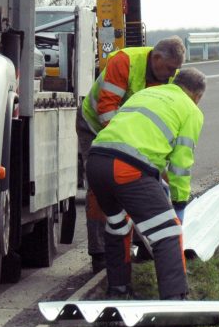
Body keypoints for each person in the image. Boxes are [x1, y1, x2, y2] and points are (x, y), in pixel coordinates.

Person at [85, 67, 206, 300]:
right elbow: (181, 164)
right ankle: (175, 298)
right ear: (197, 96)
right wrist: (179, 201)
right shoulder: (191, 110)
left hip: (97, 161)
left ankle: (118, 290)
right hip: (127, 168)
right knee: (168, 231)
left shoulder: (145, 94)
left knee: (118, 226)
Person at [77, 36, 186, 272]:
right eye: (168, 69)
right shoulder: (124, 62)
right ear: (156, 58)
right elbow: (106, 110)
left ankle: (144, 241)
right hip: (96, 126)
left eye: (175, 70)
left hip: (131, 136)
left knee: (144, 182)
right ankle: (100, 252)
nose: (171, 75)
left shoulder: (169, 75)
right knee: (100, 187)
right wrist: (128, 148)